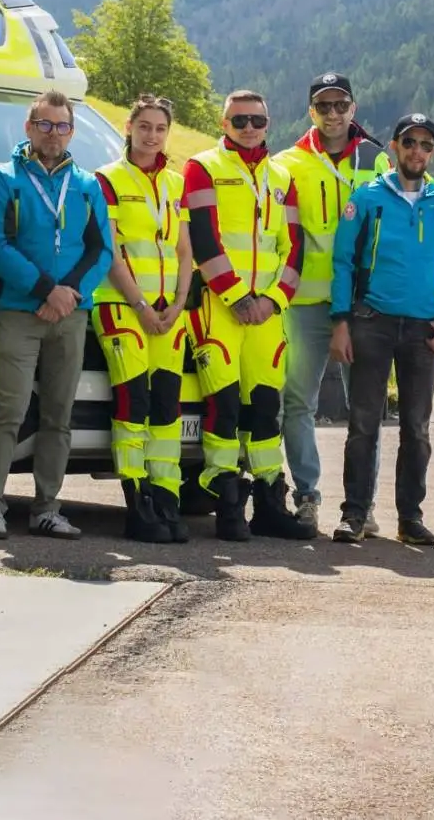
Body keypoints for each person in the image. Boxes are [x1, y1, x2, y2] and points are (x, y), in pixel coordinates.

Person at [327, 113, 434, 546]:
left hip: (423, 330)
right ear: (394, 147)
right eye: (409, 142)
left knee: (416, 428)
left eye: (425, 144)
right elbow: (342, 261)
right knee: (363, 424)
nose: (417, 151)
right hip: (371, 322)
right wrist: (341, 322)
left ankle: (410, 518)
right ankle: (354, 514)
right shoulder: (367, 197)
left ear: (433, 152)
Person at [0, 90, 113, 541]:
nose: (54, 133)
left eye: (62, 126)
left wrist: (68, 293)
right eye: (45, 124)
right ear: (29, 127)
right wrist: (44, 290)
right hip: (20, 312)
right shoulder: (4, 180)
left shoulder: (87, 185)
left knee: (59, 415)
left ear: (72, 132)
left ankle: (47, 508)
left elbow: (101, 250)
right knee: (9, 412)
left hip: (70, 315)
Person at [182, 90, 315, 542]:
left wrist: (273, 300)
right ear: (224, 124)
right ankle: (226, 503)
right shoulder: (202, 167)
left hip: (267, 314)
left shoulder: (282, 177)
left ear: (268, 123)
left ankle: (270, 503)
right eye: (239, 120)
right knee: (222, 406)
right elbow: (203, 240)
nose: (249, 128)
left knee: (264, 408)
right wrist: (238, 297)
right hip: (219, 307)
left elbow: (294, 247)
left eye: (257, 120)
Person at [274, 71, 388, 535]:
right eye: (324, 106)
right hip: (305, 302)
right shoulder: (288, 163)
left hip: (362, 305)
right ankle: (307, 495)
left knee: (365, 409)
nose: (333, 113)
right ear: (311, 111)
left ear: (353, 108)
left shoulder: (377, 159)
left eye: (341, 105)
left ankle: (362, 504)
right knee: (298, 402)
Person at [93, 94, 196, 544]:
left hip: (169, 312)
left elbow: (184, 250)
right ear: (129, 128)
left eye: (160, 128)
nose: (152, 135)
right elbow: (111, 252)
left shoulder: (176, 183)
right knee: (133, 404)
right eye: (144, 126)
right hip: (122, 307)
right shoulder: (108, 179)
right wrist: (140, 305)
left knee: (166, 407)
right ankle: (137, 504)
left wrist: (179, 303)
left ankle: (166, 501)